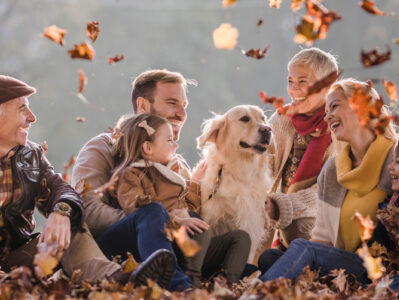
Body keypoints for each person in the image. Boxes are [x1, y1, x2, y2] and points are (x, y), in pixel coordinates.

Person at [72, 69, 250, 289]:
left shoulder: (177, 166)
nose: (182, 114)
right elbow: (87, 210)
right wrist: (160, 220)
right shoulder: (103, 147)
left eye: (184, 106)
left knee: (251, 264)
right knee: (154, 211)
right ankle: (178, 285)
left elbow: (192, 220)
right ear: (143, 106)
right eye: (172, 103)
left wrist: (202, 189)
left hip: (173, 248)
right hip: (119, 250)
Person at [0, 75, 176, 288]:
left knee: (68, 224)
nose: (32, 117)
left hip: (16, 258)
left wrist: (62, 211)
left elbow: (61, 190)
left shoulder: (31, 156)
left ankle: (121, 278)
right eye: (22, 109)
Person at [259, 78, 397, 282]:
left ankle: (254, 294)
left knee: (301, 249)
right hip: (340, 268)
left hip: (378, 268)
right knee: (271, 257)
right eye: (326, 111)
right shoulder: (333, 170)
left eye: (334, 107)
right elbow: (322, 237)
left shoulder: (393, 161)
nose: (327, 117)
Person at [263, 48, 339, 254]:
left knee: (299, 225)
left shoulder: (337, 126)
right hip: (279, 214)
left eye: (303, 82)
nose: (294, 89)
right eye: (290, 81)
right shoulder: (282, 120)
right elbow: (262, 166)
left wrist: (281, 205)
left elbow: (328, 191)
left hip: (326, 220)